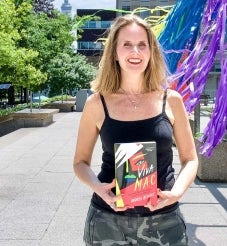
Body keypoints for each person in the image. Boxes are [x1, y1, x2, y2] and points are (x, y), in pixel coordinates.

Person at [73, 14, 198, 245]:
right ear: (114, 52)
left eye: (142, 45)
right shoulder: (96, 103)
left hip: (164, 220)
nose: (136, 52)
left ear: (151, 52)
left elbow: (190, 159)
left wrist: (177, 192)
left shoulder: (171, 100)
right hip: (107, 221)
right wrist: (98, 187)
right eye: (127, 45)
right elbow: (80, 162)